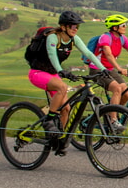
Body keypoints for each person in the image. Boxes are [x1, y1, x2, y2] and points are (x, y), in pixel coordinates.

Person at [26, 10, 104, 149]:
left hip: (52, 74)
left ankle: (58, 139)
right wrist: (61, 70)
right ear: (64, 27)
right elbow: (52, 56)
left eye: (77, 27)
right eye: (73, 26)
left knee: (66, 108)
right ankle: (49, 120)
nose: (76, 29)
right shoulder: (53, 37)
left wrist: (103, 69)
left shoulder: (74, 39)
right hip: (37, 73)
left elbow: (88, 53)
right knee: (62, 88)